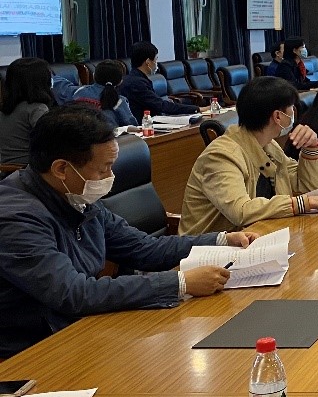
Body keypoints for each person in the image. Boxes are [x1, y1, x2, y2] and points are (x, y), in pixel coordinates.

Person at [0, 106, 257, 357]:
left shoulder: (75, 196)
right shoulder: (16, 218)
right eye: (103, 169)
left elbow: (143, 248)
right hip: (31, 349)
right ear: (61, 169)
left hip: (79, 327)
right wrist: (180, 283)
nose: (110, 177)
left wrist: (221, 240)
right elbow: (74, 293)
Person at [179, 77, 318, 234]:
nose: (294, 113)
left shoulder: (268, 145)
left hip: (258, 234)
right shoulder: (220, 156)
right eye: (291, 108)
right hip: (212, 248)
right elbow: (241, 211)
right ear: (278, 116)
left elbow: (306, 186)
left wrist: (311, 148)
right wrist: (307, 203)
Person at [118, 41, 199, 124]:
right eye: (156, 59)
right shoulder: (136, 83)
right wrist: (197, 109)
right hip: (144, 126)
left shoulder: (136, 79)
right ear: (148, 62)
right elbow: (160, 105)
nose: (156, 63)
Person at [0, 58, 57, 165]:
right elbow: (50, 143)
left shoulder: (4, 110)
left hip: (7, 169)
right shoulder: (37, 109)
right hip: (32, 169)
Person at [71, 59, 136, 130]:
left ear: (94, 76)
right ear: (120, 81)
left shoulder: (80, 92)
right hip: (108, 135)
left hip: (79, 133)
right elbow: (131, 125)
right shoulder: (119, 100)